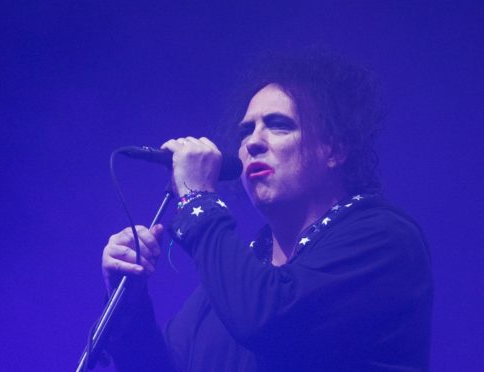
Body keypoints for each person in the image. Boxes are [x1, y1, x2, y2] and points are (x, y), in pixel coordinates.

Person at [101, 49, 433, 371]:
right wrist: (130, 303)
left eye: (278, 125)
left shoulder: (382, 239)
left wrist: (197, 199)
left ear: (334, 149)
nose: (251, 143)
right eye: (246, 131)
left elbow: (269, 320)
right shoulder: (239, 278)